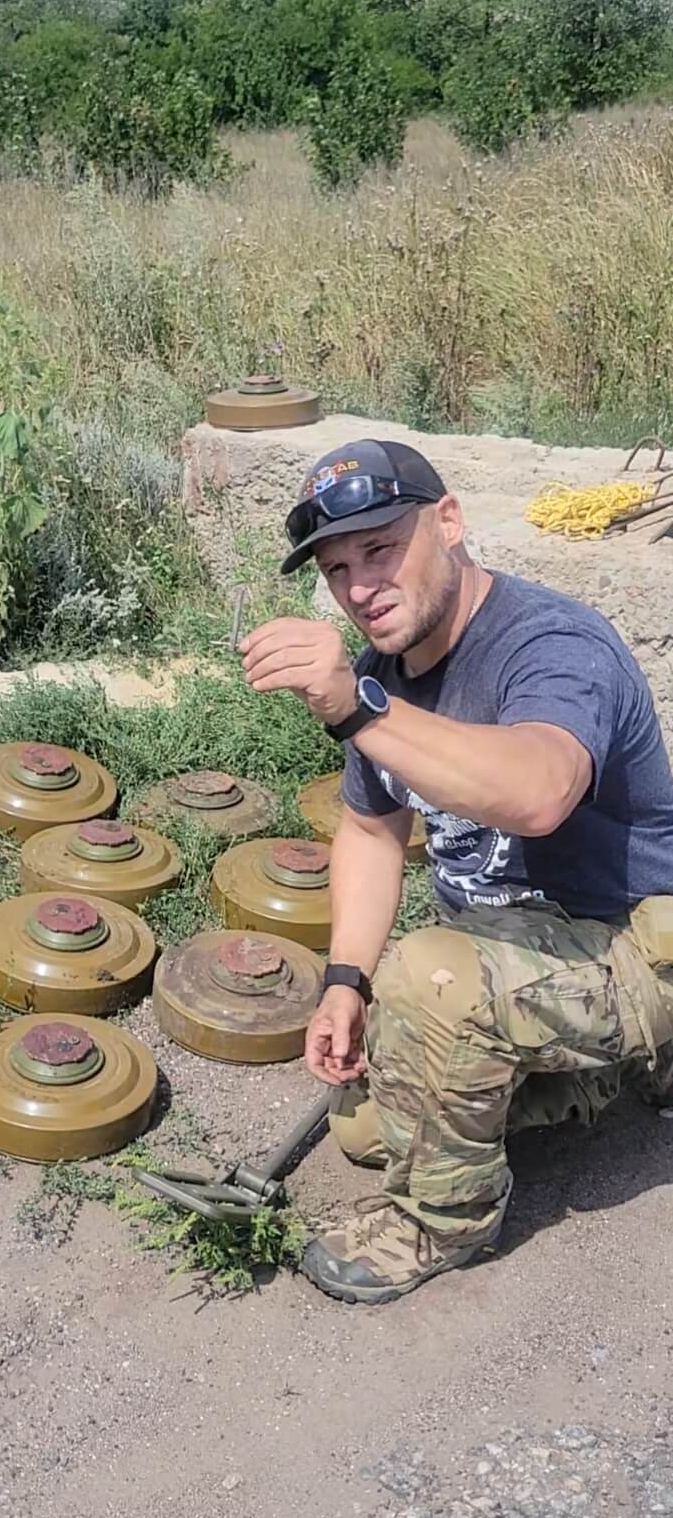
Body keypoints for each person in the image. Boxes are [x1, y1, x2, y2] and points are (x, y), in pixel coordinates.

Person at [240, 437, 673, 1306]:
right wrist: (345, 982)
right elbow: (369, 829)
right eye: (336, 568)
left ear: (449, 522)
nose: (360, 586)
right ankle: (609, 1076)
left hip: (635, 936)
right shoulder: (389, 673)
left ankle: (444, 1223)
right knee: (367, 1121)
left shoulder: (550, 642)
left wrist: (358, 709)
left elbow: (539, 791)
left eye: (380, 548)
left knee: (434, 980)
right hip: (527, 955)